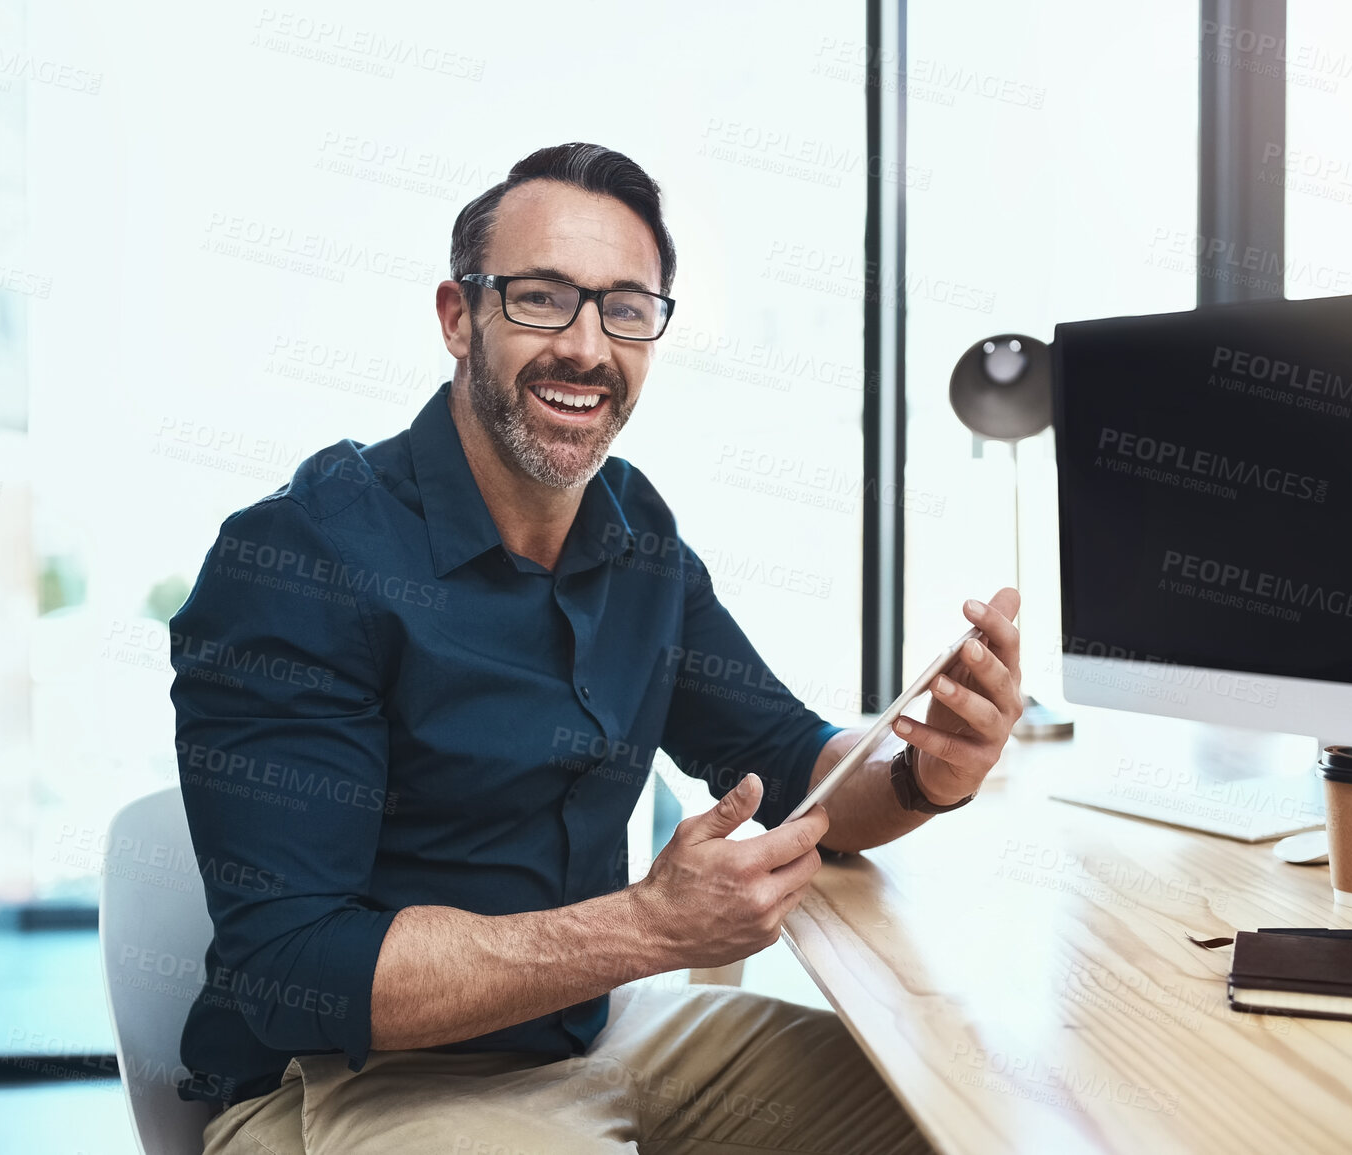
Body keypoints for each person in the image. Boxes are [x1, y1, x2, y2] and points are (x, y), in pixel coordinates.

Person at [171, 141, 1024, 1154]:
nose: (587, 346)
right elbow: (294, 969)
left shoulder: (634, 535)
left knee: (958, 1118)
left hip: (593, 1040)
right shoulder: (303, 557)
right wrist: (651, 929)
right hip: (359, 1085)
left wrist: (928, 773)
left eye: (626, 309)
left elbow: (799, 767)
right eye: (541, 298)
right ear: (459, 317)